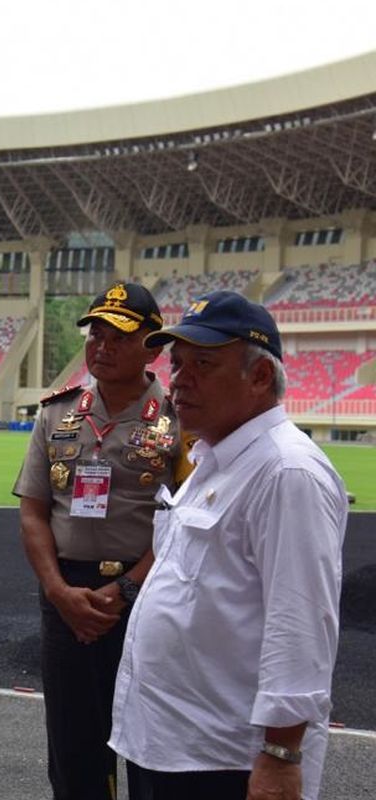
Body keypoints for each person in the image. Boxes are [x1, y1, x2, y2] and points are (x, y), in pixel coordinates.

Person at [110, 291, 348, 800]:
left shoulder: (286, 471)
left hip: (226, 762)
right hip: (170, 747)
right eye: (176, 363)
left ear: (260, 377)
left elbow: (300, 624)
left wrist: (281, 756)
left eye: (203, 364)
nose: (179, 379)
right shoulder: (217, 460)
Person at [12, 282, 187, 800]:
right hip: (66, 595)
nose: (102, 346)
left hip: (146, 595)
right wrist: (59, 592)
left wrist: (127, 589)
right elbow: (33, 513)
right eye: (96, 334)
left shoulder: (179, 420)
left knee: (148, 743)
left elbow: (189, 520)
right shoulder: (56, 413)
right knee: (71, 746)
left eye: (120, 336)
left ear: (153, 347)